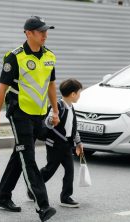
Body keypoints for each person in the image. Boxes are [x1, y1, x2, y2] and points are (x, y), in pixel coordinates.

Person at [0, 16, 60, 221]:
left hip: (40, 113)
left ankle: (3, 196)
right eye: (41, 31)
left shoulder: (50, 57)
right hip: (19, 112)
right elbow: (1, 89)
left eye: (46, 31)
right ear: (28, 34)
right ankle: (42, 206)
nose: (45, 35)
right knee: (27, 157)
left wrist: (54, 111)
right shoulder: (14, 57)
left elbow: (51, 85)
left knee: (19, 154)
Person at [39, 78, 84, 208]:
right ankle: (35, 187)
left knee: (70, 170)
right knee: (50, 169)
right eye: (79, 93)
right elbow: (47, 122)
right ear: (73, 94)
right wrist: (52, 119)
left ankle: (66, 197)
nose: (79, 95)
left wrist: (79, 143)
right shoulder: (57, 106)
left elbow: (73, 128)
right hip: (55, 145)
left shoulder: (71, 107)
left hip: (66, 146)